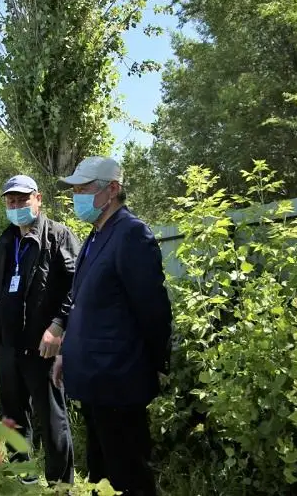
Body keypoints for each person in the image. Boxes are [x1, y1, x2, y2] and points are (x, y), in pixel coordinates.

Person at [54, 156, 173, 496]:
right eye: (74, 189)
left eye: (84, 188)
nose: (76, 195)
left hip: (119, 379)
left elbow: (153, 310)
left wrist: (153, 364)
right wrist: (66, 354)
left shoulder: (131, 234)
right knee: (101, 474)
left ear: (113, 189)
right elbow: (81, 303)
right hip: (92, 379)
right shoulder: (94, 237)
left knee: (129, 475)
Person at [0, 175, 79, 485]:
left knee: (52, 420)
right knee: (13, 417)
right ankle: (23, 476)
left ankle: (59, 485)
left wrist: (58, 325)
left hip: (43, 347)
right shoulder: (4, 242)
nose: (15, 205)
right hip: (8, 345)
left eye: (22, 199)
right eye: (10, 201)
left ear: (37, 199)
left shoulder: (58, 236)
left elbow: (76, 288)